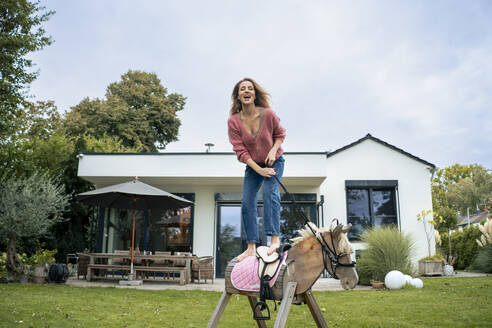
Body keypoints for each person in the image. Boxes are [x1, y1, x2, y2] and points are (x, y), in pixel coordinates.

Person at [227, 78, 286, 262]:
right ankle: (251, 247)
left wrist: (273, 150)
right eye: (242, 89)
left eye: (250, 88)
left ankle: (274, 240)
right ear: (238, 95)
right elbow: (241, 152)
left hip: (274, 160)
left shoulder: (268, 114)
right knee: (247, 201)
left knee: (270, 194)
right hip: (253, 166)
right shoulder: (234, 122)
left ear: (254, 94)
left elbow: (280, 134)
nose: (246, 91)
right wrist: (259, 170)